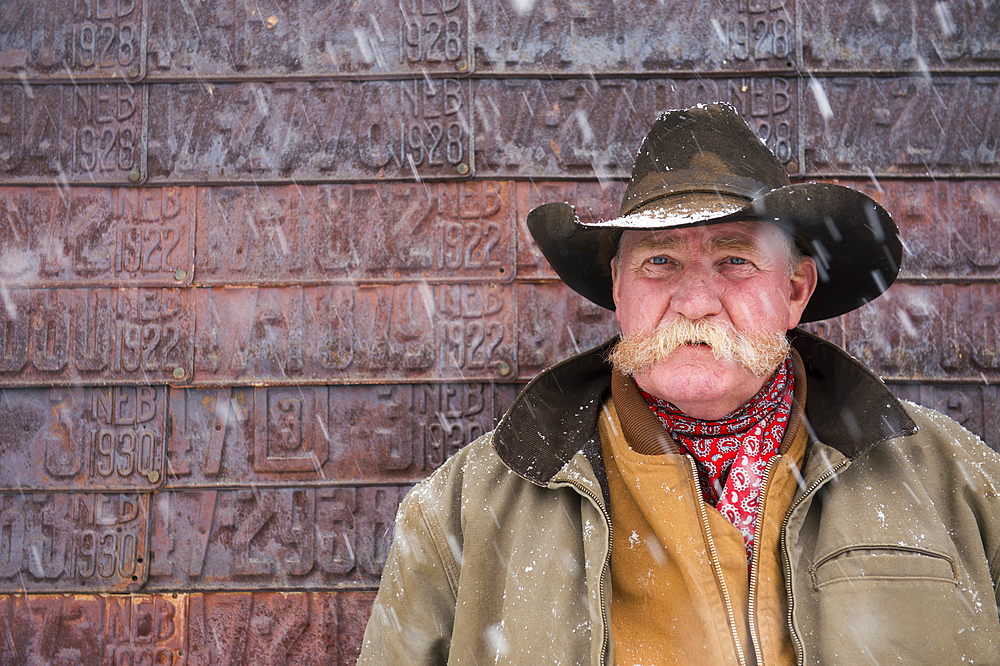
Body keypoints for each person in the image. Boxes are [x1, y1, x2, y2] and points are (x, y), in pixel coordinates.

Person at [357, 103, 1000, 665]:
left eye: (735, 260)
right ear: (618, 288)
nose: (695, 300)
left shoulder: (955, 483)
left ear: (795, 290)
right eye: (660, 260)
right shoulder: (462, 515)